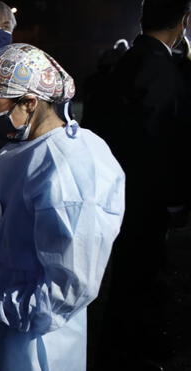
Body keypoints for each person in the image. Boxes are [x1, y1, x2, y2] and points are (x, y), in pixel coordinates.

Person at [0, 43, 125, 371]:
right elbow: (7, 213)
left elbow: (66, 290)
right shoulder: (27, 146)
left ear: (30, 102)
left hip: (35, 333)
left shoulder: (69, 172)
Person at [93, 1, 191, 369]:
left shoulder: (118, 64)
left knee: (123, 278)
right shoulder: (167, 74)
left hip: (113, 189)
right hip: (149, 196)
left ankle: (119, 348)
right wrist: (177, 200)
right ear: (183, 21)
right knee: (142, 277)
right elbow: (172, 144)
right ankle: (135, 353)